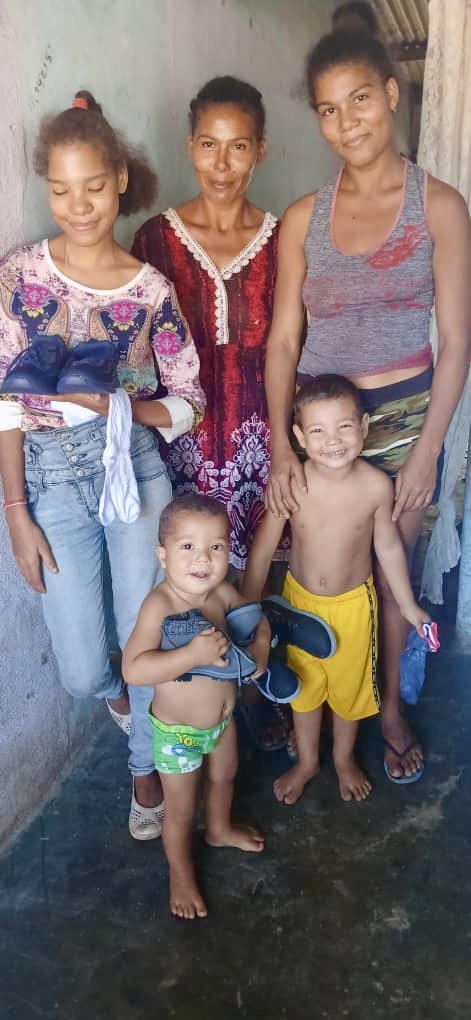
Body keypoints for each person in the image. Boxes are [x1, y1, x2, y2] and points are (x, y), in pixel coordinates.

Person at [264, 31, 471, 784]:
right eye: (327, 108)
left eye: (359, 99)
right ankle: (309, 696)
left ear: (390, 94)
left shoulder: (439, 207)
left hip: (400, 419)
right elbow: (284, 341)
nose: (346, 121)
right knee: (315, 569)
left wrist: (425, 453)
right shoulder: (301, 218)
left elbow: (455, 342)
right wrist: (284, 447)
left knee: (390, 575)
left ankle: (383, 708)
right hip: (316, 427)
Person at [0, 91, 205, 840]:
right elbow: (4, 404)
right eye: (59, 188)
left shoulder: (151, 292)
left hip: (132, 471)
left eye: (92, 185)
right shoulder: (19, 273)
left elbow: (189, 400)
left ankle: (145, 772)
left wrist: (120, 408)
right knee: (88, 667)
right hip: (50, 479)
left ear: (120, 178)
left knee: (145, 633)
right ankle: (127, 710)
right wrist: (17, 514)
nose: (77, 204)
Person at [132, 75, 289, 753]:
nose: (220, 164)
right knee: (190, 578)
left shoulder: (286, 239)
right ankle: (192, 713)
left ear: (259, 152)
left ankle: (251, 691)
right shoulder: (154, 241)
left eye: (237, 147)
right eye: (207, 145)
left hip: (260, 439)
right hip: (184, 444)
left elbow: (292, 345)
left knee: (258, 569)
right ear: (189, 147)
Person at [243, 375, 431, 804]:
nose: (333, 441)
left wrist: (407, 605)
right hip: (299, 607)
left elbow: (388, 547)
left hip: (354, 609)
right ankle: (308, 762)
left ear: (364, 427)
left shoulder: (375, 487)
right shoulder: (293, 484)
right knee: (305, 691)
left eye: (344, 427)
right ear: (298, 436)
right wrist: (249, 613)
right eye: (318, 430)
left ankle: (344, 758)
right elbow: (262, 551)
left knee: (350, 693)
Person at [122, 494, 268, 920]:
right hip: (177, 735)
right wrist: (190, 656)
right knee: (181, 811)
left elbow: (258, 619)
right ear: (163, 555)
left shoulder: (221, 592)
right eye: (188, 547)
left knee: (225, 778)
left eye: (216, 547)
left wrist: (259, 651)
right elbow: (134, 668)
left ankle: (219, 830)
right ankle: (179, 874)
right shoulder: (160, 605)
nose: (203, 559)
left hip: (223, 723)